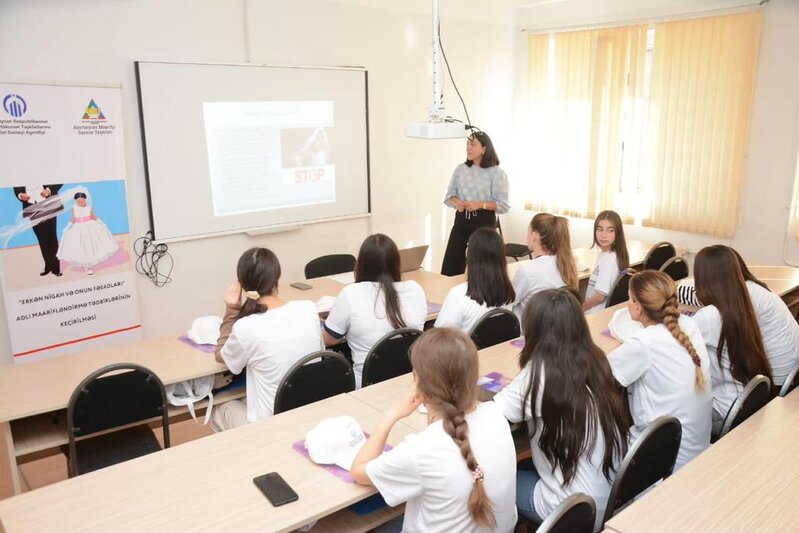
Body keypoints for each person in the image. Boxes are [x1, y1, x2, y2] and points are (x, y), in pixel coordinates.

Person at [350, 328, 517, 532]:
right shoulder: (496, 415)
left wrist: (390, 415)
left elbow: (358, 472)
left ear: (416, 379)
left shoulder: (420, 450)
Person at [493, 289, 629, 529]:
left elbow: (492, 415)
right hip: (610, 496)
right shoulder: (596, 359)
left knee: (494, 486)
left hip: (572, 510)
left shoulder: (540, 374)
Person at [607, 271, 712, 470]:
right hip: (696, 447)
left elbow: (596, 374)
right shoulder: (688, 324)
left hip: (668, 461)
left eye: (629, 298)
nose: (627, 303)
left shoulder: (644, 344)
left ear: (638, 308)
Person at [212, 248, 323, 431]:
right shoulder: (308, 309)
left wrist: (231, 310)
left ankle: (254, 454)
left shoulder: (245, 327)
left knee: (219, 409)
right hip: (310, 413)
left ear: (244, 286)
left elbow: (221, 355)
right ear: (277, 280)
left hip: (272, 425)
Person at [323, 234, 427, 388]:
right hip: (409, 381)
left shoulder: (351, 294)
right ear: (397, 263)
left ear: (361, 264)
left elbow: (328, 339)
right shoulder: (415, 289)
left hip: (366, 386)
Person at [692, 246, 773, 434]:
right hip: (742, 401)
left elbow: (672, 341)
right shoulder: (741, 305)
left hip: (720, 410)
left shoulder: (709, 316)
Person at [441, 131, 510, 276]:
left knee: (482, 269)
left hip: (483, 223)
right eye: (467, 143)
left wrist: (480, 204)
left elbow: (503, 205)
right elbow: (449, 196)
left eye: (473, 144)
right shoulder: (460, 169)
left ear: (484, 149)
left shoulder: (497, 173)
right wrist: (457, 202)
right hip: (461, 221)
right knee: (450, 266)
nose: (468, 148)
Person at [434, 228, 515, 333]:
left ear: (471, 255)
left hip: (465, 349)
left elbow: (440, 337)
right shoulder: (509, 293)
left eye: (468, 245)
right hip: (496, 349)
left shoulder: (458, 295)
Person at [511, 213, 578, 321]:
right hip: (555, 328)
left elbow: (509, 300)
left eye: (528, 230)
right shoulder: (567, 263)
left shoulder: (527, 271)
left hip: (530, 332)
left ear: (534, 236)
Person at [56, 191, 119, 275]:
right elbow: (73, 218)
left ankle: (90, 265)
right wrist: (67, 226)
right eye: (79, 201)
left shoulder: (89, 207)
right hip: (78, 228)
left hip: (90, 227)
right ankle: (85, 262)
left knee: (90, 245)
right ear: (76, 201)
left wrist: (101, 222)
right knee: (81, 246)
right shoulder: (74, 208)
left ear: (85, 200)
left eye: (82, 201)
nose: (81, 203)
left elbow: (94, 216)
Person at [583, 210, 629, 314]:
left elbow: (600, 297)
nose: (603, 235)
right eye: (600, 229)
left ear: (617, 233)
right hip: (599, 311)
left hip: (596, 313)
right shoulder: (611, 254)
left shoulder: (609, 259)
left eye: (610, 231)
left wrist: (581, 308)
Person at [13, 184, 63, 276]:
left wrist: (48, 190)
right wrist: (20, 195)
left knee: (52, 238)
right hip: (32, 207)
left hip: (48, 204)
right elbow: (16, 187)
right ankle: (48, 267)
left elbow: (61, 179)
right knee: (42, 239)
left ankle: (56, 269)